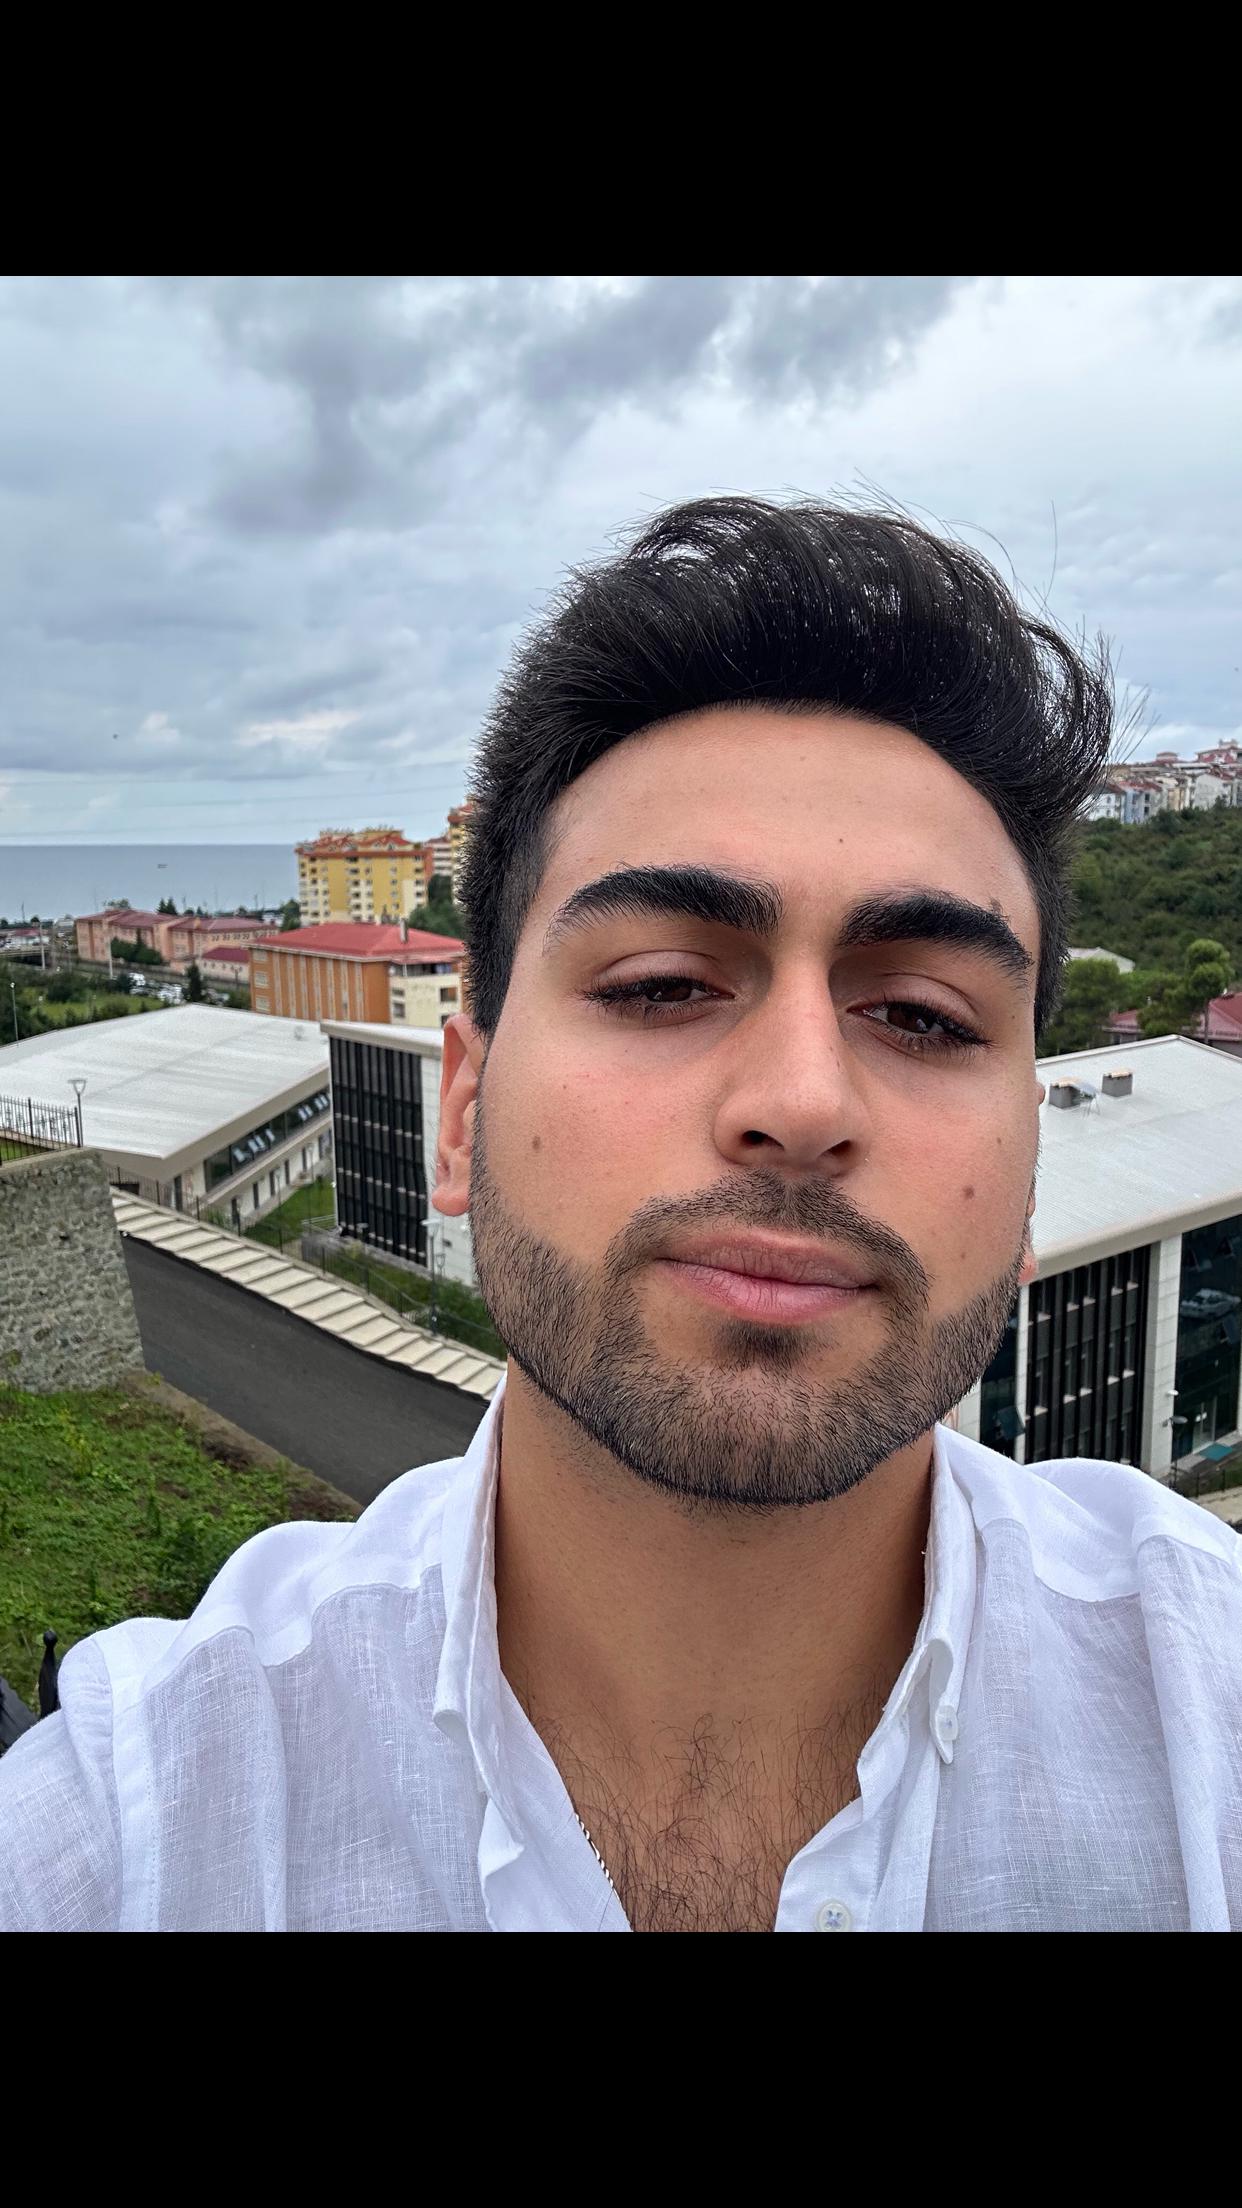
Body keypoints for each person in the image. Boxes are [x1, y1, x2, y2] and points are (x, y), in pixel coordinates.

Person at [3, 496, 1239, 1932]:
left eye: (920, 1013)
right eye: (660, 985)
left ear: (1026, 1170)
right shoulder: (137, 1828)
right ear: (461, 1115)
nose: (800, 1100)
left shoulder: (1206, 1712)